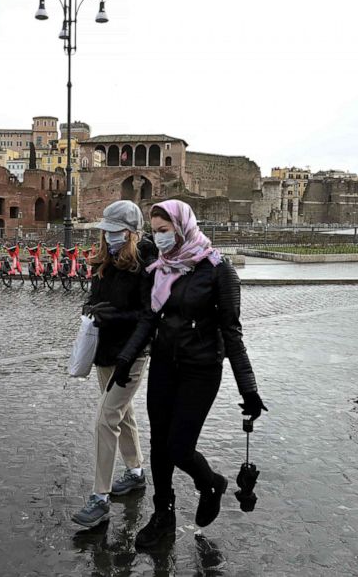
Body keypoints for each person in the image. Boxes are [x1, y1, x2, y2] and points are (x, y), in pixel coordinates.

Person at [113, 200, 265, 549]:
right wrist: (125, 359)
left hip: (201, 369)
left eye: (164, 231)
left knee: (180, 448)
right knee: (159, 446)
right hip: (165, 364)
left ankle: (211, 483)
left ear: (182, 228)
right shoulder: (161, 268)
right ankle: (163, 515)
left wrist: (249, 389)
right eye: (154, 231)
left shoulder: (218, 270)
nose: (159, 238)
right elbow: (150, 319)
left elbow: (232, 333)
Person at [72, 201, 159, 529]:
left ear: (131, 233)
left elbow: (148, 315)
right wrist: (93, 308)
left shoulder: (145, 264)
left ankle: (100, 497)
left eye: (115, 232)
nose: (108, 238)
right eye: (105, 232)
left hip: (131, 355)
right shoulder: (105, 260)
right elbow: (97, 296)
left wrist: (116, 317)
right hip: (104, 351)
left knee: (105, 419)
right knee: (124, 413)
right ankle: (136, 472)